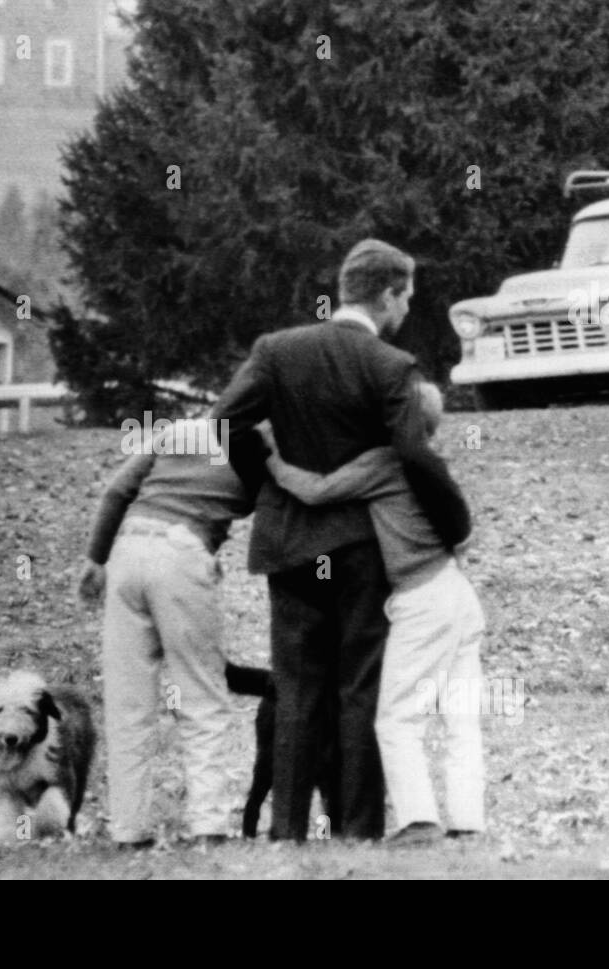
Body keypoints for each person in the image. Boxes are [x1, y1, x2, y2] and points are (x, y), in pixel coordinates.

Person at [212, 239, 471, 841]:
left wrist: (268, 488)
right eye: (406, 297)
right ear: (386, 294)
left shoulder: (276, 352)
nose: (406, 310)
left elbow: (221, 421)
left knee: (296, 685)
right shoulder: (390, 366)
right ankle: (356, 827)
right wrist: (454, 528)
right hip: (358, 550)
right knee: (360, 684)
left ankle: (289, 830)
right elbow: (413, 454)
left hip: (289, 546)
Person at [262, 381, 487, 844]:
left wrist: (272, 458)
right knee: (460, 718)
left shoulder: (382, 462)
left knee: (396, 718)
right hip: (457, 592)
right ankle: (468, 821)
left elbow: (318, 491)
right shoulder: (429, 464)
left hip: (420, 597)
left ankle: (419, 821)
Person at [78, 425, 255, 847]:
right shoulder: (260, 444)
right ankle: (208, 825)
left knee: (128, 704)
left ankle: (128, 829)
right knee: (201, 696)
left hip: (128, 548)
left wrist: (95, 558)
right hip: (184, 550)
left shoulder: (180, 432)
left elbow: (117, 491)